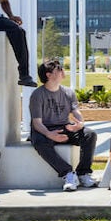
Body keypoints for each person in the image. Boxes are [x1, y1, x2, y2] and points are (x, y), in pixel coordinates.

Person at [29, 58, 99, 192]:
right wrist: (49, 134)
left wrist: (80, 123)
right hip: (45, 128)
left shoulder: (68, 92)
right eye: (59, 69)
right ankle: (67, 173)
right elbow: (36, 123)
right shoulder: (37, 95)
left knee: (90, 134)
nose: (62, 71)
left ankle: (83, 173)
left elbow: (75, 111)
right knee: (38, 140)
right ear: (49, 75)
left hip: (65, 126)